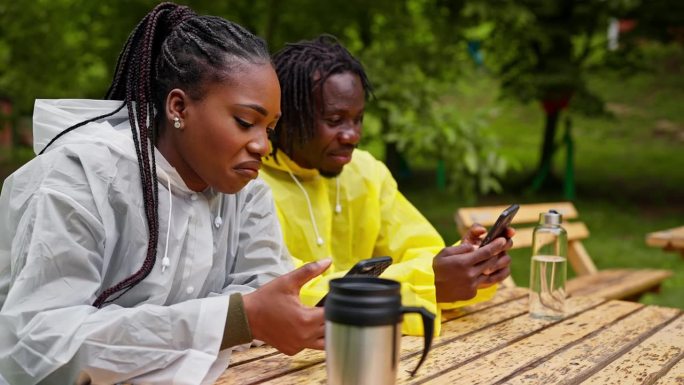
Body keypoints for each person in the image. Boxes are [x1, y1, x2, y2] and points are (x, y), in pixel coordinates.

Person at [0, 4, 329, 384]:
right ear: (178, 107)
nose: (262, 146)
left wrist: (242, 317)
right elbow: (41, 344)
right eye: (245, 122)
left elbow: (262, 291)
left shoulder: (248, 193)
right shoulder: (80, 179)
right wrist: (233, 319)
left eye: (269, 128)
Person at [261, 35, 513, 336]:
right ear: (285, 116)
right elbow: (288, 295)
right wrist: (428, 281)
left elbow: (422, 251)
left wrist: (471, 266)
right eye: (335, 119)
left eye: (358, 119)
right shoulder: (251, 185)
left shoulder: (366, 171)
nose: (351, 135)